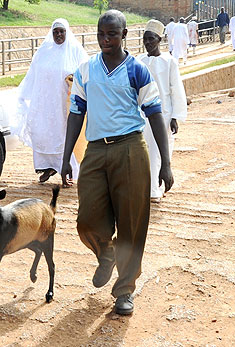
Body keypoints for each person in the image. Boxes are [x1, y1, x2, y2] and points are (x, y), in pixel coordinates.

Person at [61, 10, 173, 316]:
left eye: (112, 34)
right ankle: (106, 253)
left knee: (131, 222)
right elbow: (76, 113)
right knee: (87, 219)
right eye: (101, 34)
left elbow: (155, 114)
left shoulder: (137, 70)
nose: (106, 39)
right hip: (96, 152)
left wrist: (165, 161)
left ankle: (124, 289)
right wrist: (67, 155)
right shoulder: (85, 70)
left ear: (124, 35)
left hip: (130, 149)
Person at [15, 18, 88, 183]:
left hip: (65, 103)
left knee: (64, 135)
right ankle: (49, 166)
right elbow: (33, 73)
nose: (59, 35)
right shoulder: (44, 51)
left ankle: (67, 170)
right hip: (45, 103)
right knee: (44, 133)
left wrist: (73, 79)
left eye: (62, 31)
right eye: (55, 32)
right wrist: (25, 94)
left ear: (67, 32)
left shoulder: (75, 50)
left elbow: (86, 71)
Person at [139, 19, 187, 203]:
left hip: (163, 114)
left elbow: (176, 89)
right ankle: (144, 188)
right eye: (145, 39)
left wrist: (175, 116)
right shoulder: (139, 61)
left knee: (159, 151)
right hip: (142, 115)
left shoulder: (169, 62)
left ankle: (156, 189)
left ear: (159, 39)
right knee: (143, 152)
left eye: (151, 39)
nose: (148, 43)